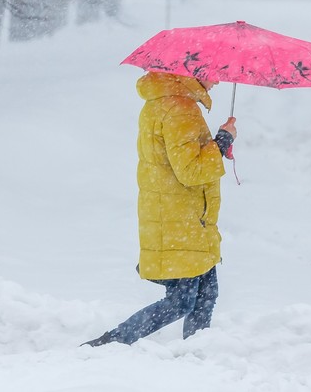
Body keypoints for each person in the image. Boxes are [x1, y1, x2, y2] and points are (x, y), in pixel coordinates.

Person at [83, 70, 236, 346]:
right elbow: (190, 170)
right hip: (181, 219)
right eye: (216, 73)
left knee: (205, 294)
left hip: (176, 214)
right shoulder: (181, 109)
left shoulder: (161, 101)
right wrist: (222, 142)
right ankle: (112, 342)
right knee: (182, 301)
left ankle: (198, 351)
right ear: (197, 72)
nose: (218, 81)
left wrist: (215, 146)